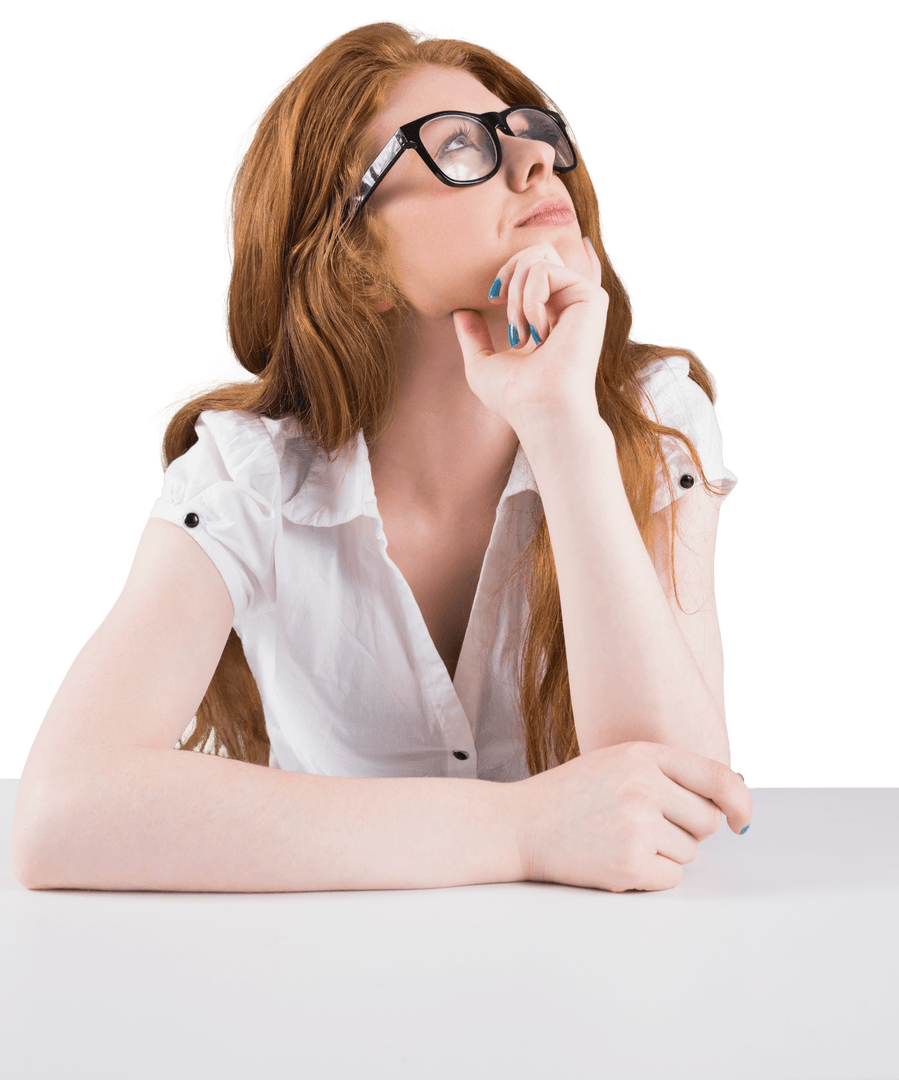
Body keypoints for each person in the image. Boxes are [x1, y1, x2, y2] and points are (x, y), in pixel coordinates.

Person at [12, 17, 752, 896]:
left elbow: (677, 799)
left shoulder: (651, 418)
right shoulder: (248, 477)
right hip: (324, 967)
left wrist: (561, 427)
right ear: (350, 252)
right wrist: (523, 830)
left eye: (528, 131)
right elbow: (61, 812)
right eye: (458, 145)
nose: (533, 160)